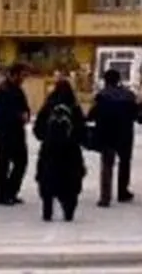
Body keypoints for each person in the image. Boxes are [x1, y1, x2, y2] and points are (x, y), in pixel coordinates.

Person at [87, 69, 142, 207]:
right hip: (125, 134)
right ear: (119, 80)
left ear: (105, 81)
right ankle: (122, 192)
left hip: (106, 134)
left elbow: (91, 116)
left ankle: (105, 197)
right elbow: (139, 117)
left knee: (107, 165)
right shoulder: (129, 95)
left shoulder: (101, 96)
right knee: (124, 163)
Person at [32, 79, 87, 222]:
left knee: (47, 179)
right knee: (71, 181)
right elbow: (82, 131)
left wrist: (47, 137)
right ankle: (69, 210)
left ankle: (47, 210)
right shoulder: (74, 107)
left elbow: (38, 130)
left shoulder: (48, 106)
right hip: (71, 152)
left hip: (49, 151)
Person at [0, 63, 30, 206]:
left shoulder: (18, 90)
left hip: (17, 132)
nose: (23, 79)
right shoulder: (1, 91)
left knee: (21, 162)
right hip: (4, 133)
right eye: (22, 75)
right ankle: (1, 195)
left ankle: (11, 191)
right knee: (3, 164)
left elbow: (25, 107)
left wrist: (25, 114)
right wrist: (17, 116)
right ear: (14, 74)